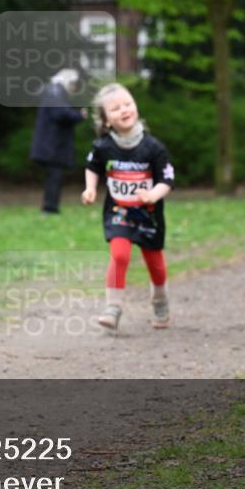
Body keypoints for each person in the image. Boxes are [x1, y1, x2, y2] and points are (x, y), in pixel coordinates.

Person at [82, 83, 173, 331]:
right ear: (106, 121)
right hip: (119, 212)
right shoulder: (103, 146)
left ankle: (160, 298)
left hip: (148, 215)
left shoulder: (153, 147)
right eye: (115, 108)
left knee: (155, 263)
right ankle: (113, 307)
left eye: (128, 104)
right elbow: (92, 167)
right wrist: (90, 188)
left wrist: (153, 194)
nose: (124, 109)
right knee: (119, 255)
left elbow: (167, 179)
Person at [30, 69, 85, 214]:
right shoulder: (55, 91)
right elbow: (60, 114)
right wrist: (79, 115)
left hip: (50, 143)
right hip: (53, 144)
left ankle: (51, 207)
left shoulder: (51, 90)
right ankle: (50, 208)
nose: (74, 89)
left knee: (53, 176)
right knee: (54, 176)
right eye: (74, 85)